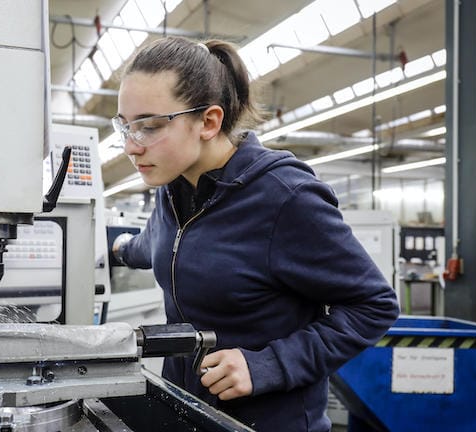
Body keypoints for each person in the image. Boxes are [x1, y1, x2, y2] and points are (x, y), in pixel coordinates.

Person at [110, 36, 399, 432]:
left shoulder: (285, 198)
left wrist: (267, 365)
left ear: (209, 122)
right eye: (125, 126)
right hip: (187, 413)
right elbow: (156, 245)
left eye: (149, 127)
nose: (131, 146)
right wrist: (116, 248)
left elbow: (374, 305)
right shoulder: (173, 190)